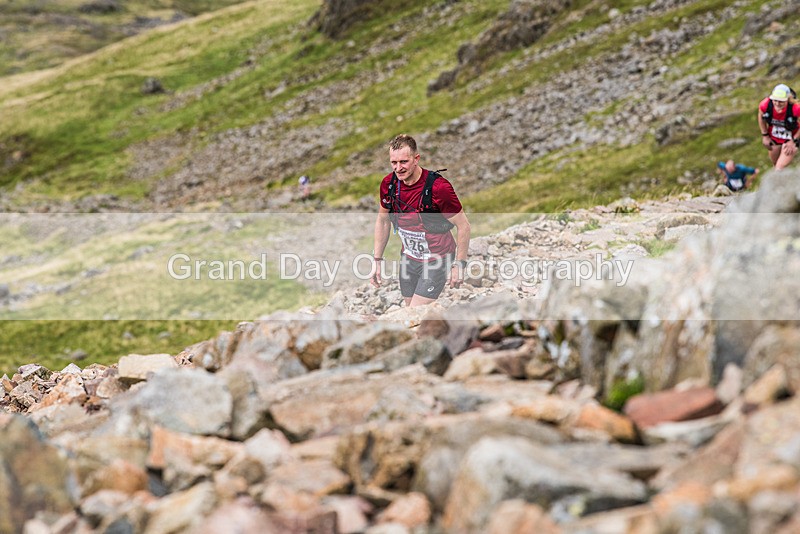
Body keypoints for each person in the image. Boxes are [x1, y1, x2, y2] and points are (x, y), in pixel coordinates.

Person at [371, 134, 471, 307]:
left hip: (438, 258)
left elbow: (464, 226)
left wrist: (459, 265)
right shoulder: (389, 185)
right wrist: (377, 261)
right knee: (411, 310)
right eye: (394, 163)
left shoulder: (439, 188)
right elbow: (383, 221)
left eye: (404, 162)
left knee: (414, 312)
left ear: (416, 159)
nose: (398, 168)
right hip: (409, 258)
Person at [758, 84, 800, 169]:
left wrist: (793, 140)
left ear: (788, 100)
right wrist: (765, 135)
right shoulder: (765, 105)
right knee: (775, 165)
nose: (777, 104)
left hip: (791, 139)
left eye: (781, 101)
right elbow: (761, 117)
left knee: (779, 168)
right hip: (774, 138)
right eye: (775, 100)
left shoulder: (796, 108)